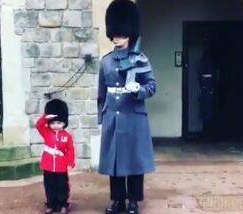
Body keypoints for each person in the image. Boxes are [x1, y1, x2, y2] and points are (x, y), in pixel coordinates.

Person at [97, 0, 157, 213]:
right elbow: (101, 94)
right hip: (113, 115)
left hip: (134, 115)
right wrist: (100, 119)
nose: (116, 37)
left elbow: (152, 86)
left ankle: (133, 200)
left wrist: (138, 90)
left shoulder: (140, 59)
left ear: (130, 33)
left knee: (133, 161)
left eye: (121, 34)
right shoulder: (106, 62)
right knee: (115, 163)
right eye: (114, 34)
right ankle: (118, 200)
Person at [36, 99, 75, 214]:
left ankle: (63, 204)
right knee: (49, 186)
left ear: (64, 122)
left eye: (59, 123)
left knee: (62, 186)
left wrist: (70, 163)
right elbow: (38, 125)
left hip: (61, 166)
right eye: (53, 123)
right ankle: (51, 204)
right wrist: (46, 116)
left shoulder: (67, 136)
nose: (56, 126)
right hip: (48, 165)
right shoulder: (46, 132)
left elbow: (70, 150)